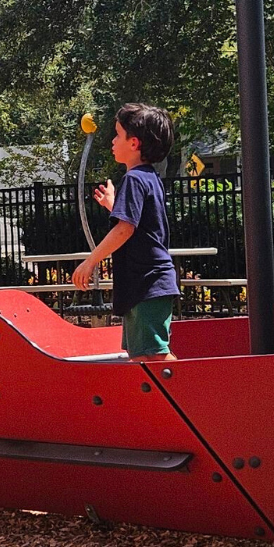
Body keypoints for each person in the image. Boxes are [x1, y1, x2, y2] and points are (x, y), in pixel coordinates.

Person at [73, 103, 180, 360]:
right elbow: (140, 224)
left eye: (118, 134)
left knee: (153, 357)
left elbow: (125, 229)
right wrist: (114, 205)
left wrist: (90, 262)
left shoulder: (134, 179)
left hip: (147, 283)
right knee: (142, 356)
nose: (113, 140)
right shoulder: (148, 178)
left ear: (134, 143)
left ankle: (192, 385)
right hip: (146, 284)